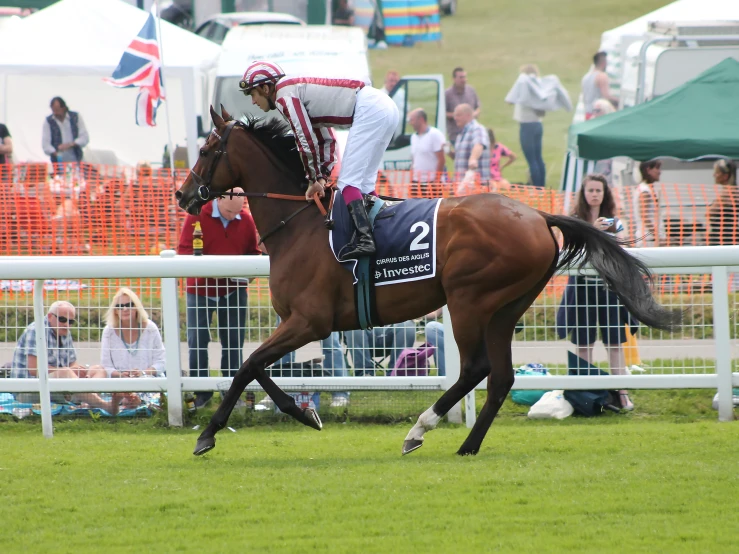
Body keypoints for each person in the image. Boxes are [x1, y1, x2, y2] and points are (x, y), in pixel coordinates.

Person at [240, 60, 399, 260]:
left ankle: (366, 240)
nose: (253, 101)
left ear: (265, 87)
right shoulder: (294, 91)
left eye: (253, 94)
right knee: (364, 185)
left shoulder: (283, 94)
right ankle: (383, 229)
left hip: (371, 108)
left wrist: (313, 178)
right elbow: (326, 139)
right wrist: (322, 176)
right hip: (382, 105)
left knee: (348, 184)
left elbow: (304, 137)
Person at [177, 188, 262, 407]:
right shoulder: (196, 215)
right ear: (219, 199)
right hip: (200, 290)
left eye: (237, 212)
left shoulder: (245, 220)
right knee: (197, 342)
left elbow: (253, 254)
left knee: (233, 343)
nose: (233, 217)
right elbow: (184, 252)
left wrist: (250, 273)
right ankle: (201, 394)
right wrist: (212, 269)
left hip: (233, 291)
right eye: (229, 213)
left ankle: (231, 394)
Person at [556, 174, 634, 410]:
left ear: (604, 194)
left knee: (614, 343)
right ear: (583, 192)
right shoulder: (574, 221)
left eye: (598, 190)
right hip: (580, 288)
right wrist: (591, 230)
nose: (594, 194)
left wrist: (605, 232)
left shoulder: (614, 222)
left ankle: (622, 394)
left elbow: (623, 246)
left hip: (608, 287)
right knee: (583, 343)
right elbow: (567, 248)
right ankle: (584, 393)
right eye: (590, 190)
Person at [11, 300, 121, 412]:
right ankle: (105, 405)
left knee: (99, 369)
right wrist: (68, 371)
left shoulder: (64, 331)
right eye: (62, 319)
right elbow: (34, 369)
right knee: (65, 372)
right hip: (28, 390)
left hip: (56, 384)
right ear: (49, 316)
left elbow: (72, 363)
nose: (67, 324)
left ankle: (87, 400)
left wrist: (78, 371)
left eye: (71, 321)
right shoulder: (35, 330)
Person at [100, 287, 165, 378]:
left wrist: (143, 373)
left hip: (149, 382)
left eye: (129, 304)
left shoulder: (151, 328)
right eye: (120, 306)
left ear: (137, 307)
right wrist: (121, 375)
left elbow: (161, 362)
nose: (125, 309)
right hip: (119, 385)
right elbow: (106, 366)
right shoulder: (108, 331)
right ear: (115, 311)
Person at [512, 64, 546, 189]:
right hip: (537, 124)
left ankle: (536, 187)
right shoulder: (538, 88)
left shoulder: (524, 87)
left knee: (531, 159)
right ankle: (541, 185)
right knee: (538, 157)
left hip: (526, 125)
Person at [344, 321, 417, 376]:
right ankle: (364, 373)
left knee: (408, 324)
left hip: (392, 333)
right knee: (353, 324)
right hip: (363, 333)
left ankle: (396, 372)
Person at [449, 103, 490, 185]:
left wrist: (473, 159)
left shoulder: (477, 129)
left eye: (458, 115)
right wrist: (449, 152)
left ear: (468, 115)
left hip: (477, 185)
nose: (455, 118)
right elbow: (461, 158)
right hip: (463, 185)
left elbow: (479, 144)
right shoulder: (461, 134)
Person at [41, 97, 89, 166]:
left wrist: (70, 144)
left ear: (63, 108)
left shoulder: (76, 117)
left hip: (77, 161)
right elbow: (45, 145)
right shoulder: (48, 121)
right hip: (58, 164)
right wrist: (55, 152)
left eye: (57, 110)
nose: (55, 113)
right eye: (53, 110)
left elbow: (85, 138)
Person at [409, 108, 446, 187]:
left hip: (432, 182)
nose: (410, 123)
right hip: (417, 182)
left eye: (412, 120)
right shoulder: (413, 137)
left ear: (421, 119)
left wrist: (437, 179)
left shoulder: (435, 134)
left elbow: (441, 159)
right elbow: (414, 160)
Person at [444, 67, 481, 144]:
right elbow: (442, 113)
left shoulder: (471, 91)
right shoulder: (447, 94)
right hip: (456, 134)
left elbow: (478, 108)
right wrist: (458, 116)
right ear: (453, 79)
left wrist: (473, 114)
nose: (463, 80)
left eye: (464, 77)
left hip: (472, 132)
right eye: (461, 77)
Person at [707, 159, 738, 246]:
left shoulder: (727, 194)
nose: (714, 175)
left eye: (716, 173)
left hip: (723, 241)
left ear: (725, 176)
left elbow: (709, 213)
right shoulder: (733, 192)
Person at [633, 160, 662, 247]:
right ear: (648, 170)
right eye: (657, 168)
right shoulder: (645, 190)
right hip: (648, 239)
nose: (660, 172)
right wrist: (657, 235)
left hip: (648, 238)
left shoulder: (646, 188)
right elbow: (644, 215)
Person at [581, 52, 618, 120]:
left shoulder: (586, 77)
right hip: (598, 114)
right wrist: (619, 101)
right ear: (604, 63)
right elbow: (606, 96)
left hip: (587, 112)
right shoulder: (602, 76)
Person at [591, 99, 616, 183]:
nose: (595, 113)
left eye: (598, 110)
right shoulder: (591, 125)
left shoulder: (612, 128)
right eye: (594, 110)